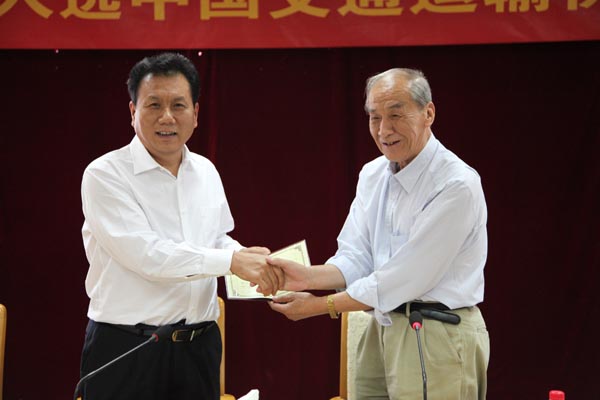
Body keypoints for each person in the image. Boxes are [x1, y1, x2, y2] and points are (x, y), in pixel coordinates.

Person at [268, 68, 490, 399]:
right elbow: (357, 256)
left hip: (437, 330)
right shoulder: (372, 174)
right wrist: (305, 277)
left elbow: (404, 277)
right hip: (381, 326)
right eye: (375, 118)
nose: (384, 130)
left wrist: (320, 306)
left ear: (428, 113)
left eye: (396, 115)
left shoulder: (456, 184)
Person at [78, 52, 281, 400]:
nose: (167, 117)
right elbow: (147, 255)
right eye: (154, 104)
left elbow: (217, 238)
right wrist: (232, 262)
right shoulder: (105, 174)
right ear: (133, 111)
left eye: (178, 105)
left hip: (198, 347)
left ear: (196, 114)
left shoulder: (206, 171)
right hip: (128, 346)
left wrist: (254, 261)